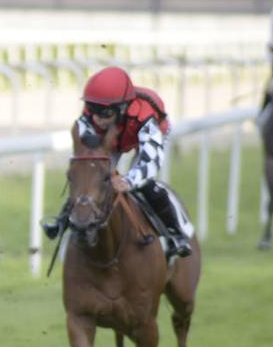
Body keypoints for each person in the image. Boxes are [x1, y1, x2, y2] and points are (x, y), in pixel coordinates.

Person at [41, 66, 193, 258]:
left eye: (104, 113)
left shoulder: (145, 117)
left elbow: (150, 162)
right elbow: (87, 157)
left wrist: (128, 180)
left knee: (144, 184)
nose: (97, 118)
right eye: (93, 110)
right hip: (114, 139)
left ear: (121, 109)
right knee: (89, 179)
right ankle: (62, 220)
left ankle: (178, 233)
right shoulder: (91, 116)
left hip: (144, 137)